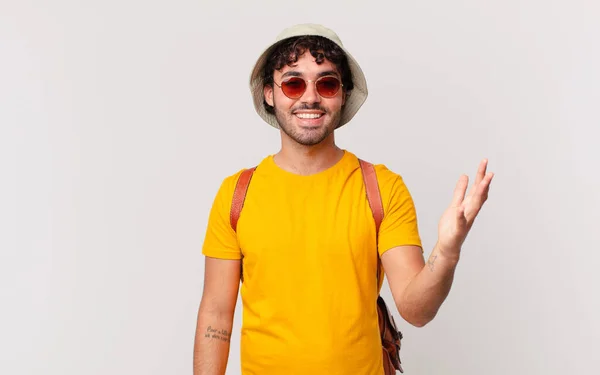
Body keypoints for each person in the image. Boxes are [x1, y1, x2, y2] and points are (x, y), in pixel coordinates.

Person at [193, 23, 494, 375]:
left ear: (342, 94)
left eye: (327, 83)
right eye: (293, 83)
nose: (310, 97)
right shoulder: (237, 194)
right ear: (269, 94)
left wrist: (448, 250)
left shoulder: (381, 187)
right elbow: (215, 315)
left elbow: (416, 309)